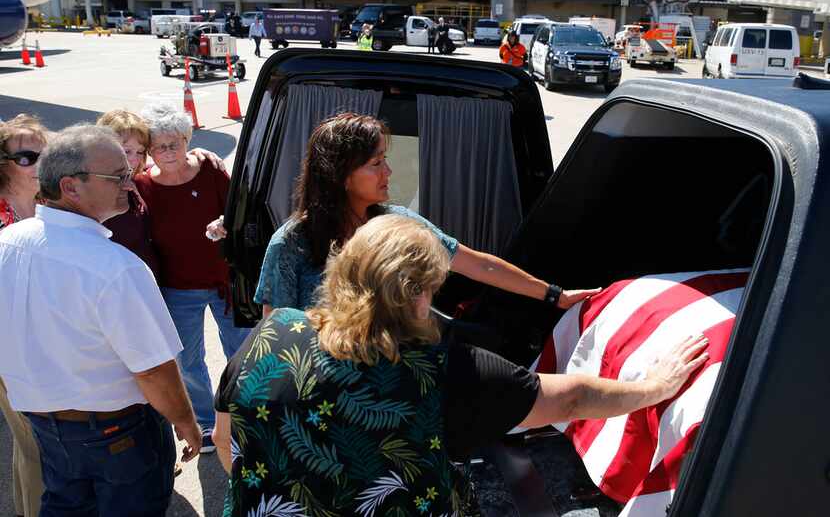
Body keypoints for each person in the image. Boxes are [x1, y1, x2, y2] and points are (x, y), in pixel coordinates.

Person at [213, 214, 710, 515]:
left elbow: (225, 442)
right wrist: (654, 386)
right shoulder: (447, 374)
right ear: (419, 295)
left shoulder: (272, 333)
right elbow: (574, 396)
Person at [0, 125, 201, 516]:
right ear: (71, 187)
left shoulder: (8, 244)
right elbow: (154, 370)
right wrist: (186, 423)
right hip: (118, 434)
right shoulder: (116, 267)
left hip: (46, 426)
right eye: (118, 177)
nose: (131, 183)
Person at [255, 112, 598, 320]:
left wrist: (554, 295)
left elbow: (479, 265)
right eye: (376, 163)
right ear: (340, 175)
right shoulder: (291, 244)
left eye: (385, 159)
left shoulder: (399, 225)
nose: (388, 171)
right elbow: (273, 336)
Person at [134, 102, 250, 453]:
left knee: (240, 353)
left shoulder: (211, 169)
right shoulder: (141, 185)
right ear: (150, 150)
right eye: (159, 146)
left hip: (223, 282)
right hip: (177, 288)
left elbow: (238, 209)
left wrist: (224, 223)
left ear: (188, 140)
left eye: (175, 143)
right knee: (187, 361)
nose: (167, 152)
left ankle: (241, 419)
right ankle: (206, 422)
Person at [97, 109, 227, 280]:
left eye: (139, 152)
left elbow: (240, 207)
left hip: (211, 281)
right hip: (130, 287)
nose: (134, 160)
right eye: (127, 151)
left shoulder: (133, 181)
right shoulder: (96, 192)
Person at [0, 114, 48, 517]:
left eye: (44, 154)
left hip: (52, 340)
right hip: (11, 345)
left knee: (32, 443)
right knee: (35, 443)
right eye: (27, 157)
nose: (40, 163)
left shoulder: (52, 202)